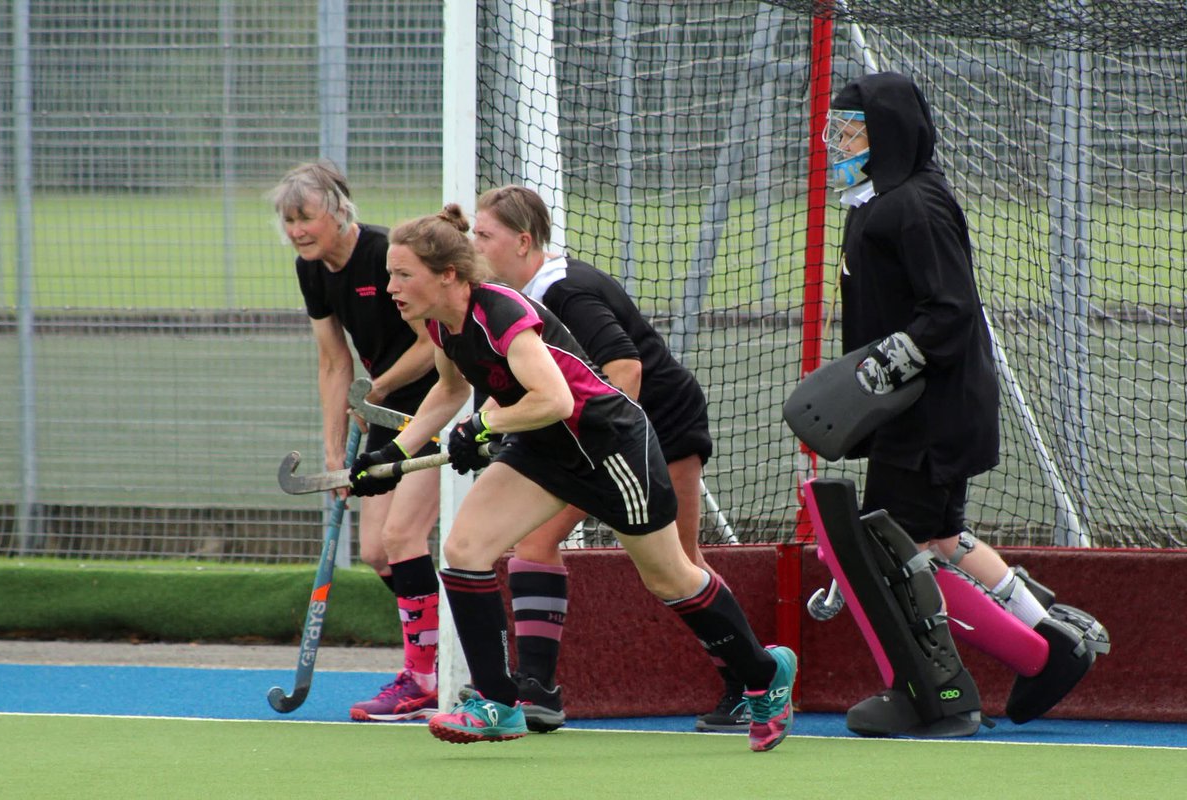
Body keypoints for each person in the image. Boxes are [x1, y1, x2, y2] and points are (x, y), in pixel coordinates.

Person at [348, 204, 797, 752]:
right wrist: (393, 452)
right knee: (464, 548)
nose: (390, 285)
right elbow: (449, 391)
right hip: (542, 450)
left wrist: (485, 424)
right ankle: (498, 702)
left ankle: (763, 675)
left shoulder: (502, 313)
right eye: (391, 275)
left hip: (608, 450)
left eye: (402, 274)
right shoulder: (441, 324)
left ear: (447, 274)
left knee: (671, 579)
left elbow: (555, 398)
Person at [823, 71, 1105, 731]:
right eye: (833, 128)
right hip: (923, 410)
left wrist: (881, 367)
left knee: (892, 553)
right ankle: (1055, 642)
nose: (836, 140)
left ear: (887, 133)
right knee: (941, 536)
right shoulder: (882, 201)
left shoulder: (912, 207)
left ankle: (943, 687)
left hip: (925, 417)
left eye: (850, 128)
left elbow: (947, 313)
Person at [472, 184, 748, 734]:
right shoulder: (511, 301)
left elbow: (626, 370)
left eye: (485, 235)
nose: (474, 245)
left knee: (680, 567)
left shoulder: (567, 291)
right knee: (535, 543)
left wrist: (594, 451)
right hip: (592, 437)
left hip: (658, 428)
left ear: (523, 241)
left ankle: (750, 684)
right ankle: (538, 692)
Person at [270, 161, 444, 723]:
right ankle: (445, 645)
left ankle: (424, 679)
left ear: (339, 210)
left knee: (401, 535)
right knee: (375, 550)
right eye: (288, 220)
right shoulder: (312, 269)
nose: (297, 230)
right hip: (383, 413)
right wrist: (331, 447)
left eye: (305, 217)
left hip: (438, 400)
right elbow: (333, 360)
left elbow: (433, 342)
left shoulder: (384, 255)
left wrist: (381, 387)